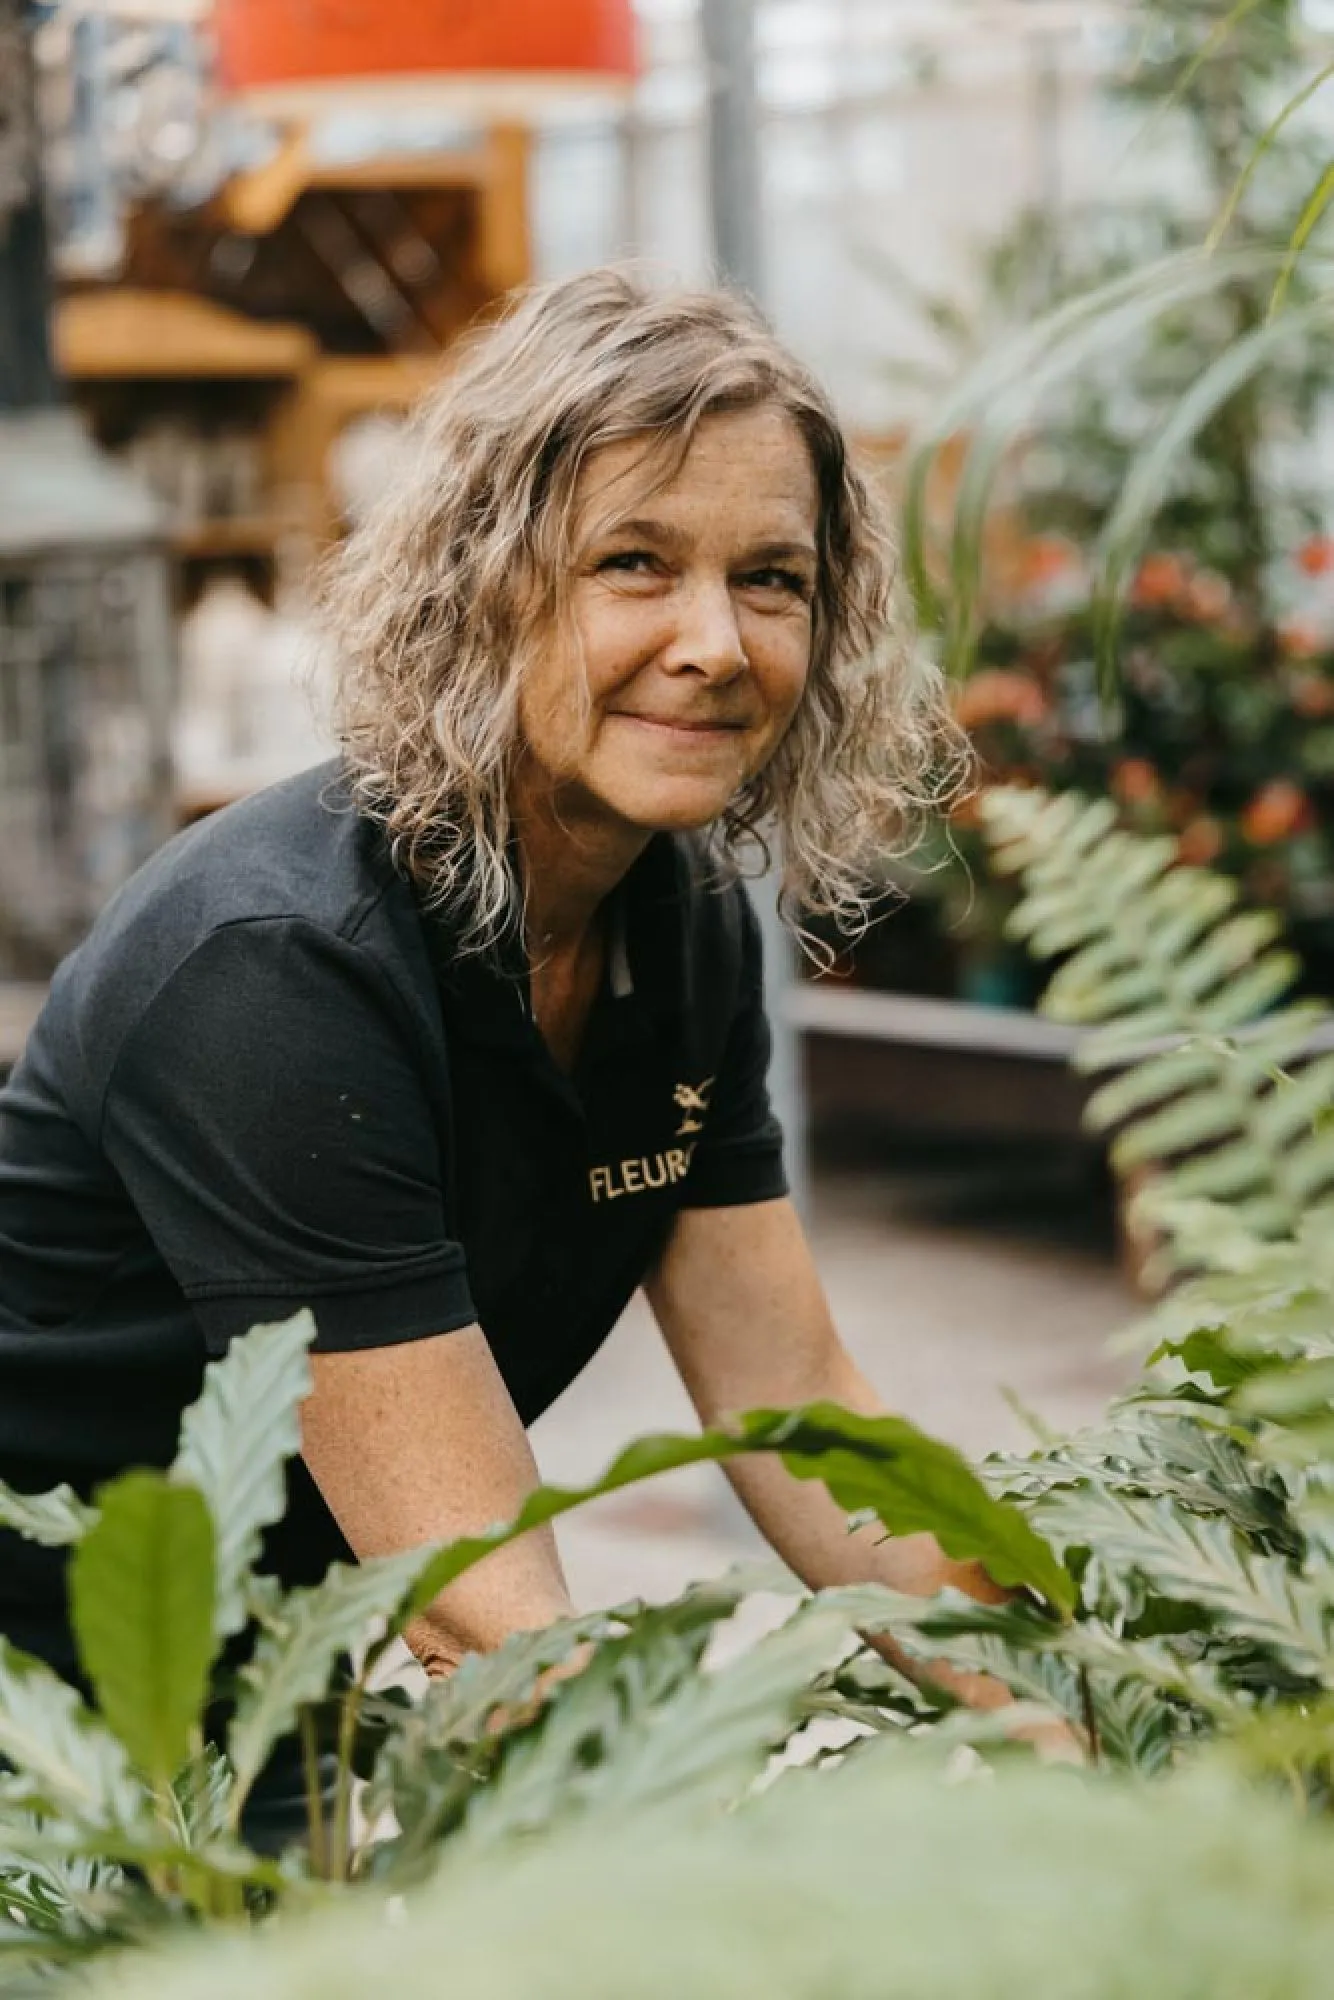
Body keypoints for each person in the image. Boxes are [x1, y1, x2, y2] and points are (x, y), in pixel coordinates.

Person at [0, 267, 1014, 1760]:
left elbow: (793, 1403)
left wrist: (1080, 1709)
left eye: (770, 578)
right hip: (57, 1728)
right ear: (487, 580)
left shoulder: (680, 933)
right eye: (631, 562)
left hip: (283, 1672)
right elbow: (476, 1591)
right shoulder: (280, 966)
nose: (716, 644)